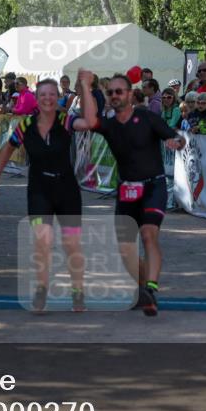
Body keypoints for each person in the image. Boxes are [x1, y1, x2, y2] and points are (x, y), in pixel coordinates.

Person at [80, 73, 185, 317]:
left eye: (119, 91)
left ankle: (151, 287)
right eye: (111, 92)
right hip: (126, 190)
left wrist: (175, 142)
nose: (115, 96)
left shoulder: (147, 118)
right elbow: (88, 120)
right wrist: (85, 86)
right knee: (126, 249)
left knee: (148, 234)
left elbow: (176, 137)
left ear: (129, 94)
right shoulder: (109, 125)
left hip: (153, 187)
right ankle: (143, 290)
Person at [0, 72, 95, 312]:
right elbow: (7, 149)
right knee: (42, 241)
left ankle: (77, 291)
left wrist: (86, 88)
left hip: (67, 190)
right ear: (36, 99)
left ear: (58, 98)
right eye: (43, 95)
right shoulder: (26, 125)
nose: (47, 99)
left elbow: (89, 122)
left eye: (52, 95)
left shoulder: (66, 121)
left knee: (71, 243)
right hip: (39, 189)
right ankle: (41, 289)